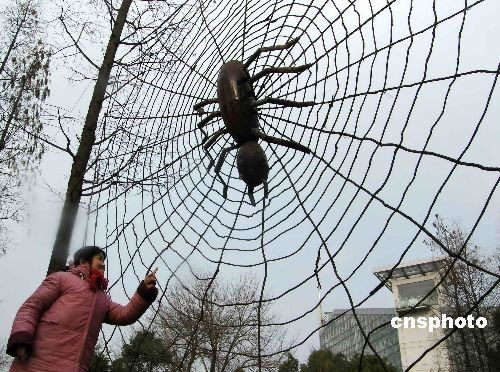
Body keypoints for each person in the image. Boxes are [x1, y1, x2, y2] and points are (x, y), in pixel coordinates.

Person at [6, 246, 159, 371]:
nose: (103, 264)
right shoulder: (62, 278)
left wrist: (144, 291)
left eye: (104, 260)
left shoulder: (102, 298)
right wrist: (21, 338)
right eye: (99, 258)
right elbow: (32, 306)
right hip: (34, 364)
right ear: (85, 261)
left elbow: (124, 315)